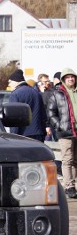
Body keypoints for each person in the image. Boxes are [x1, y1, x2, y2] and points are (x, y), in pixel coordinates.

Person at [48, 68, 77, 198]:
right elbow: (51, 112)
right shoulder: (58, 94)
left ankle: (74, 184)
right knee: (67, 159)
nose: (71, 79)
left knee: (75, 160)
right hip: (65, 131)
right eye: (68, 77)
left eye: (72, 77)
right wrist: (58, 125)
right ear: (64, 79)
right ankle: (69, 186)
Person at [7, 69, 48, 142]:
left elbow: (14, 118)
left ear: (16, 82)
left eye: (10, 82)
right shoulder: (36, 93)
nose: (9, 85)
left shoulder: (15, 94)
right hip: (38, 134)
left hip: (22, 136)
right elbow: (43, 116)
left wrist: (13, 137)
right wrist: (43, 134)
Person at [38, 74, 57, 141]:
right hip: (44, 124)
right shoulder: (37, 93)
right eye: (45, 81)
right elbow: (43, 109)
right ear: (40, 83)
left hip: (52, 122)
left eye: (48, 81)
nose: (48, 83)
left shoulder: (51, 91)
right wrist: (42, 93)